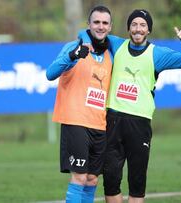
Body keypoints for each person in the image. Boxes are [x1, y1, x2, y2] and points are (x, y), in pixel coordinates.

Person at [78, 9, 181, 203]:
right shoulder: (117, 45)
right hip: (113, 121)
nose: (138, 29)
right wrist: (84, 40)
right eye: (134, 24)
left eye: (143, 25)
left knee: (136, 182)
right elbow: (89, 32)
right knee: (111, 180)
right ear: (128, 29)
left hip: (139, 124)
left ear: (148, 30)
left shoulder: (157, 54)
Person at [46, 5, 113, 203]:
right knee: (80, 176)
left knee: (92, 180)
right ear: (89, 25)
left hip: (99, 124)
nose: (100, 26)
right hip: (76, 121)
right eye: (96, 22)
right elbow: (50, 73)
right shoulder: (73, 46)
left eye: (104, 23)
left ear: (110, 27)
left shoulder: (111, 53)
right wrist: (72, 56)